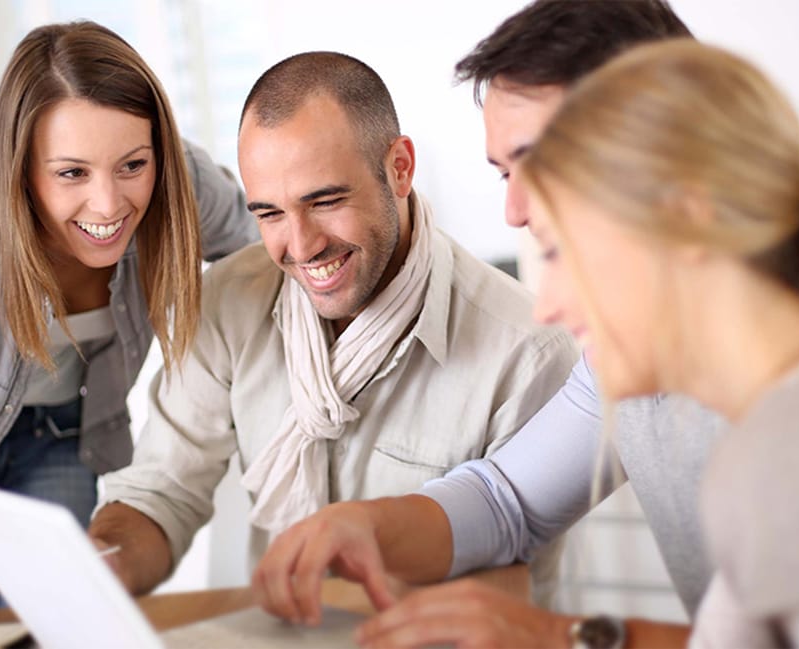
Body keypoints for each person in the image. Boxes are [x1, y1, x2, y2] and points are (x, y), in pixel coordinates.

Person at [252, 2, 726, 647]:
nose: (514, 209)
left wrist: (565, 636)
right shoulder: (627, 342)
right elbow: (509, 501)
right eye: (505, 172)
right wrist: (367, 524)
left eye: (538, 160)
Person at [87, 51, 578, 604]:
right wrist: (101, 567)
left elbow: (515, 572)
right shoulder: (228, 304)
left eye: (325, 201)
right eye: (269, 213)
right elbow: (162, 492)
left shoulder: (526, 352)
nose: (300, 247)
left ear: (399, 167)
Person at [0, 20, 258, 638]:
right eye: (71, 174)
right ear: (20, 168)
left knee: (61, 624)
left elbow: (274, 268)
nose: (109, 205)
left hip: (60, 435)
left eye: (132, 165)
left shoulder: (182, 184)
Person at [518, 38, 799, 649]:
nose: (546, 305)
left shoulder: (798, 454)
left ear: (687, 220)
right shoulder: (775, 437)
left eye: (559, 251)